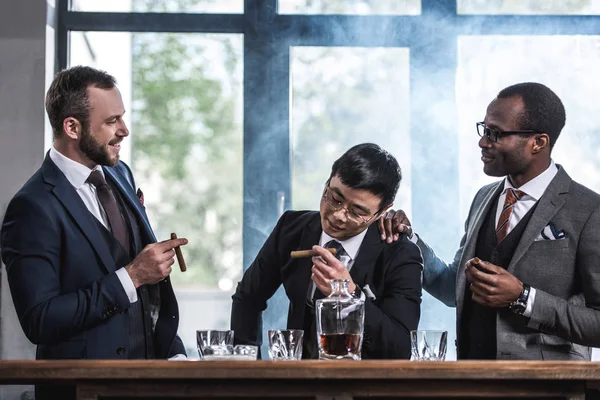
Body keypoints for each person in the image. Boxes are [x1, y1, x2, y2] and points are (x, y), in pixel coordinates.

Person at [1, 66, 188, 398]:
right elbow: (39, 319)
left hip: (146, 385)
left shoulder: (122, 175)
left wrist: (172, 351)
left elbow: (148, 293)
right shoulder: (31, 208)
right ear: (72, 127)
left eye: (122, 117)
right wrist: (130, 277)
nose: (125, 130)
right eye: (111, 121)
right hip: (80, 391)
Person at [380, 82, 600, 360]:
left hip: (547, 387)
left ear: (538, 143)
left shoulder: (590, 210)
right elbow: (452, 288)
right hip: (473, 380)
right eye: (484, 130)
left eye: (495, 134)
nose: (483, 142)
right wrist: (410, 241)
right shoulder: (484, 198)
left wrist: (524, 298)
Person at [231, 143, 422, 359]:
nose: (338, 215)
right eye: (334, 198)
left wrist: (351, 296)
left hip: (366, 387)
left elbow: (400, 348)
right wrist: (247, 367)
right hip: (297, 384)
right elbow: (247, 298)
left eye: (357, 211)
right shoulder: (291, 229)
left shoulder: (401, 254)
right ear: (328, 181)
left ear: (382, 211)